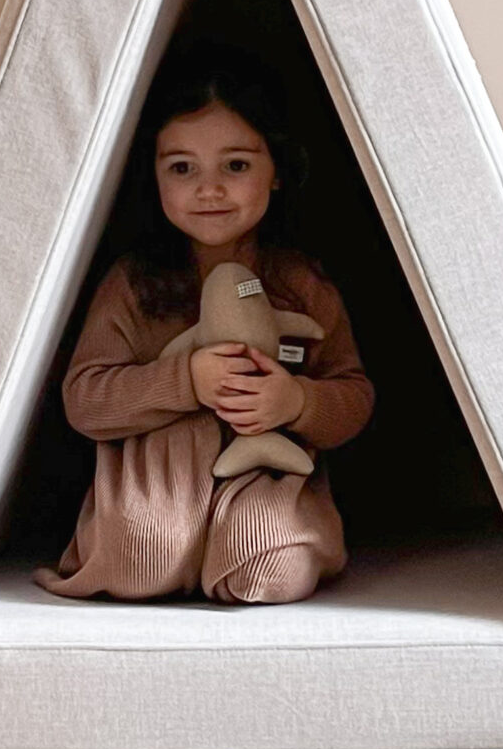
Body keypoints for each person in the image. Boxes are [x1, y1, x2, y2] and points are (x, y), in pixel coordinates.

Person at [36, 42, 373, 604]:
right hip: (155, 481)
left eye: (235, 166)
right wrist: (185, 380)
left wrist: (297, 402)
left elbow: (354, 395)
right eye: (182, 168)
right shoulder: (133, 283)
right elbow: (85, 400)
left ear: (276, 172)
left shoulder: (301, 284)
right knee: (140, 555)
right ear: (155, 176)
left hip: (266, 475)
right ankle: (169, 550)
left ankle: (250, 543)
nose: (208, 189)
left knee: (268, 569)